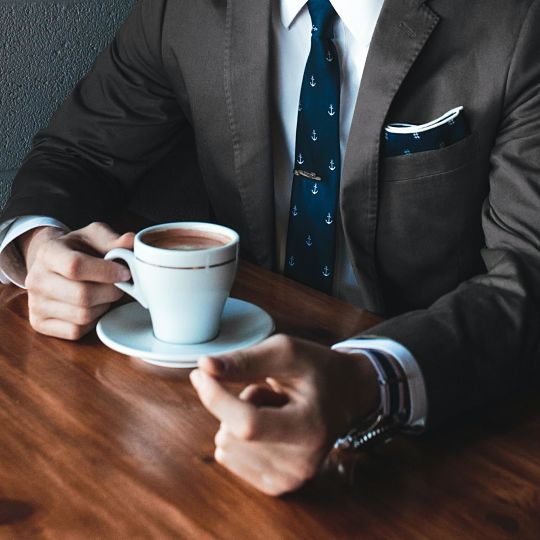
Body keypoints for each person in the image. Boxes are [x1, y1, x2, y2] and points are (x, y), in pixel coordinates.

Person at [1, 0, 540, 496]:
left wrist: (366, 380)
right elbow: (76, 153)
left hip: (442, 431)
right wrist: (38, 243)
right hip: (205, 402)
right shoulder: (181, 10)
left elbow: (528, 275)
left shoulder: (518, 22)